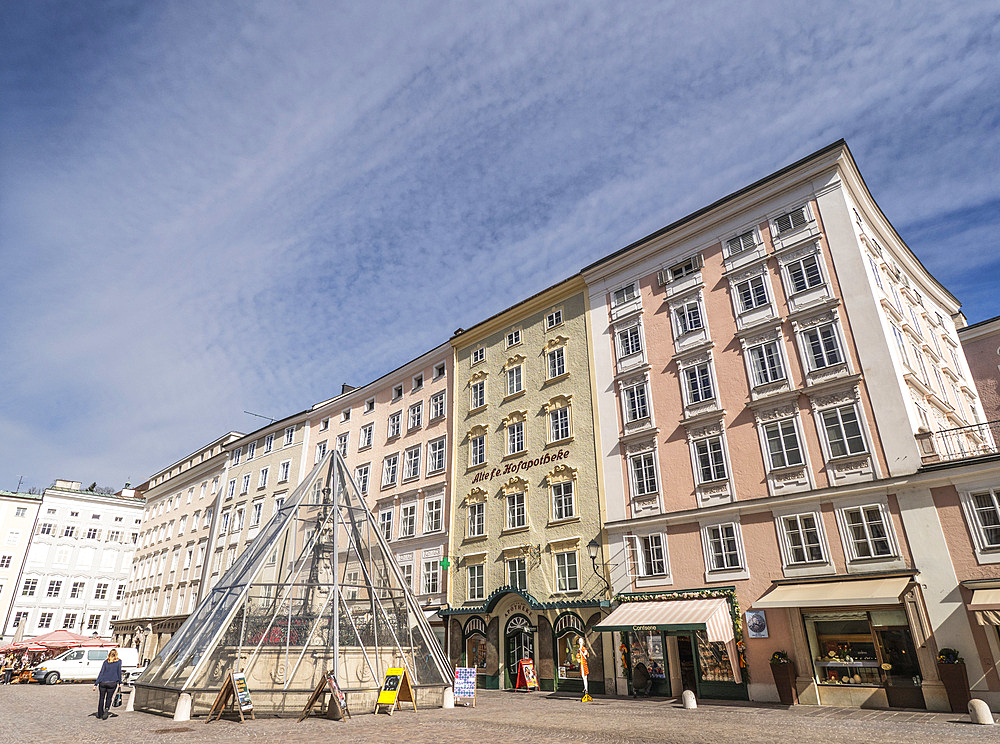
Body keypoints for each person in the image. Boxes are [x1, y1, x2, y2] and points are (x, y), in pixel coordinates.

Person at [93, 649, 122, 720]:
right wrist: (120, 682)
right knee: (109, 697)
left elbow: (101, 672)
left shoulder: (106, 662)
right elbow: (119, 672)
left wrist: (96, 684)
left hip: (103, 682)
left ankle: (100, 713)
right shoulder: (118, 662)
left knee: (101, 698)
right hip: (112, 682)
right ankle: (106, 710)